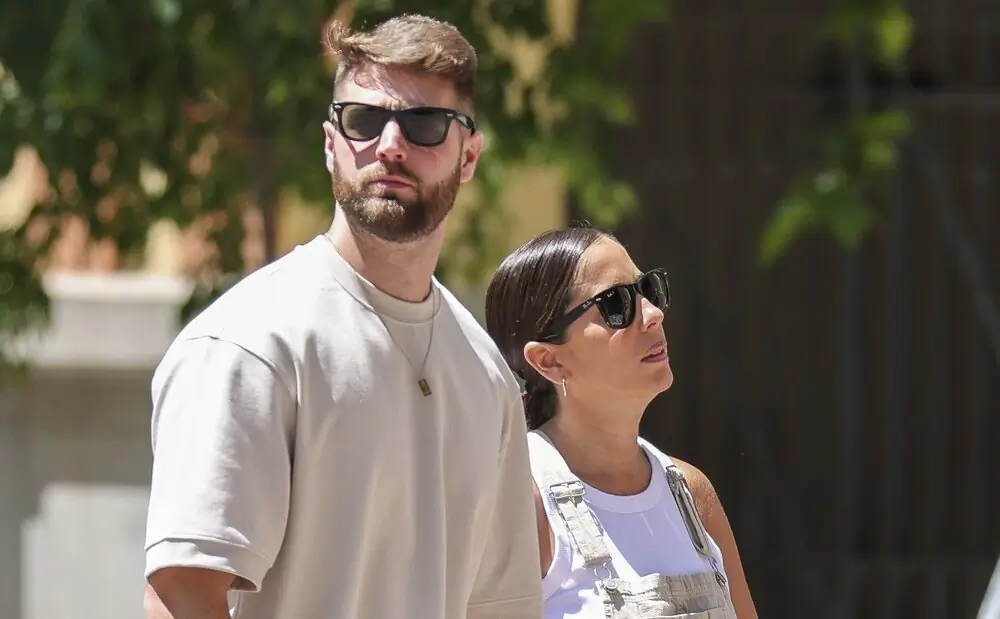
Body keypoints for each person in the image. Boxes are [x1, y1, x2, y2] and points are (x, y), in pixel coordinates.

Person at [142, 14, 542, 619]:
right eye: (363, 121)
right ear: (331, 144)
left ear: (469, 156)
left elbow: (500, 607)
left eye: (425, 125)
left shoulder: (486, 374)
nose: (390, 146)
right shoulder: (250, 343)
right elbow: (181, 596)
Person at [484, 226, 757, 619]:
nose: (653, 314)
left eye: (648, 289)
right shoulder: (521, 503)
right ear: (549, 360)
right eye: (616, 303)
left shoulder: (691, 493)